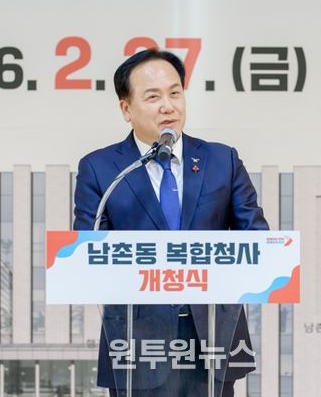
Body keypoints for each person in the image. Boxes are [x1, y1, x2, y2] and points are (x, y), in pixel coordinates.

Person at [73, 49, 268, 397]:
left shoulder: (221, 160)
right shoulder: (101, 168)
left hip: (212, 337)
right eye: (153, 97)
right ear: (126, 109)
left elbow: (256, 241)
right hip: (137, 343)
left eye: (175, 93)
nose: (169, 106)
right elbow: (89, 255)